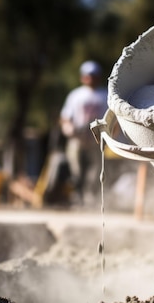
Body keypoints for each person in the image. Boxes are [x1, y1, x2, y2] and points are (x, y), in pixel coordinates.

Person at [60, 60, 109, 206]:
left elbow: (113, 118)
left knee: (96, 171)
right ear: (83, 77)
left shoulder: (105, 95)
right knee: (76, 170)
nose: (90, 78)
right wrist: (67, 127)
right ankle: (77, 197)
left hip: (97, 139)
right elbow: (65, 117)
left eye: (93, 75)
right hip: (78, 138)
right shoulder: (75, 95)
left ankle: (91, 198)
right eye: (88, 75)